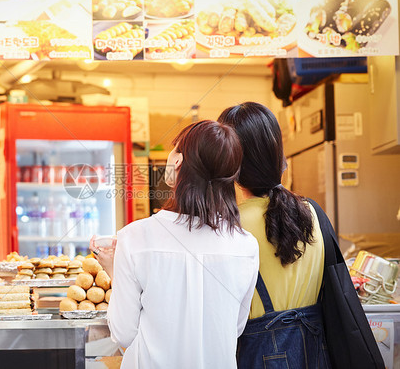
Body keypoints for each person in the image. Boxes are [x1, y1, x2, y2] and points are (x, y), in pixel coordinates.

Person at [90, 120, 259, 369]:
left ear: (177, 162)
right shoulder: (246, 246)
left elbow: (124, 333)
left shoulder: (135, 237)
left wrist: (113, 270)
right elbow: (233, 327)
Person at [217, 102, 330, 368]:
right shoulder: (312, 213)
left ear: (230, 162)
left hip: (259, 352)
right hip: (317, 350)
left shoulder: (229, 227)